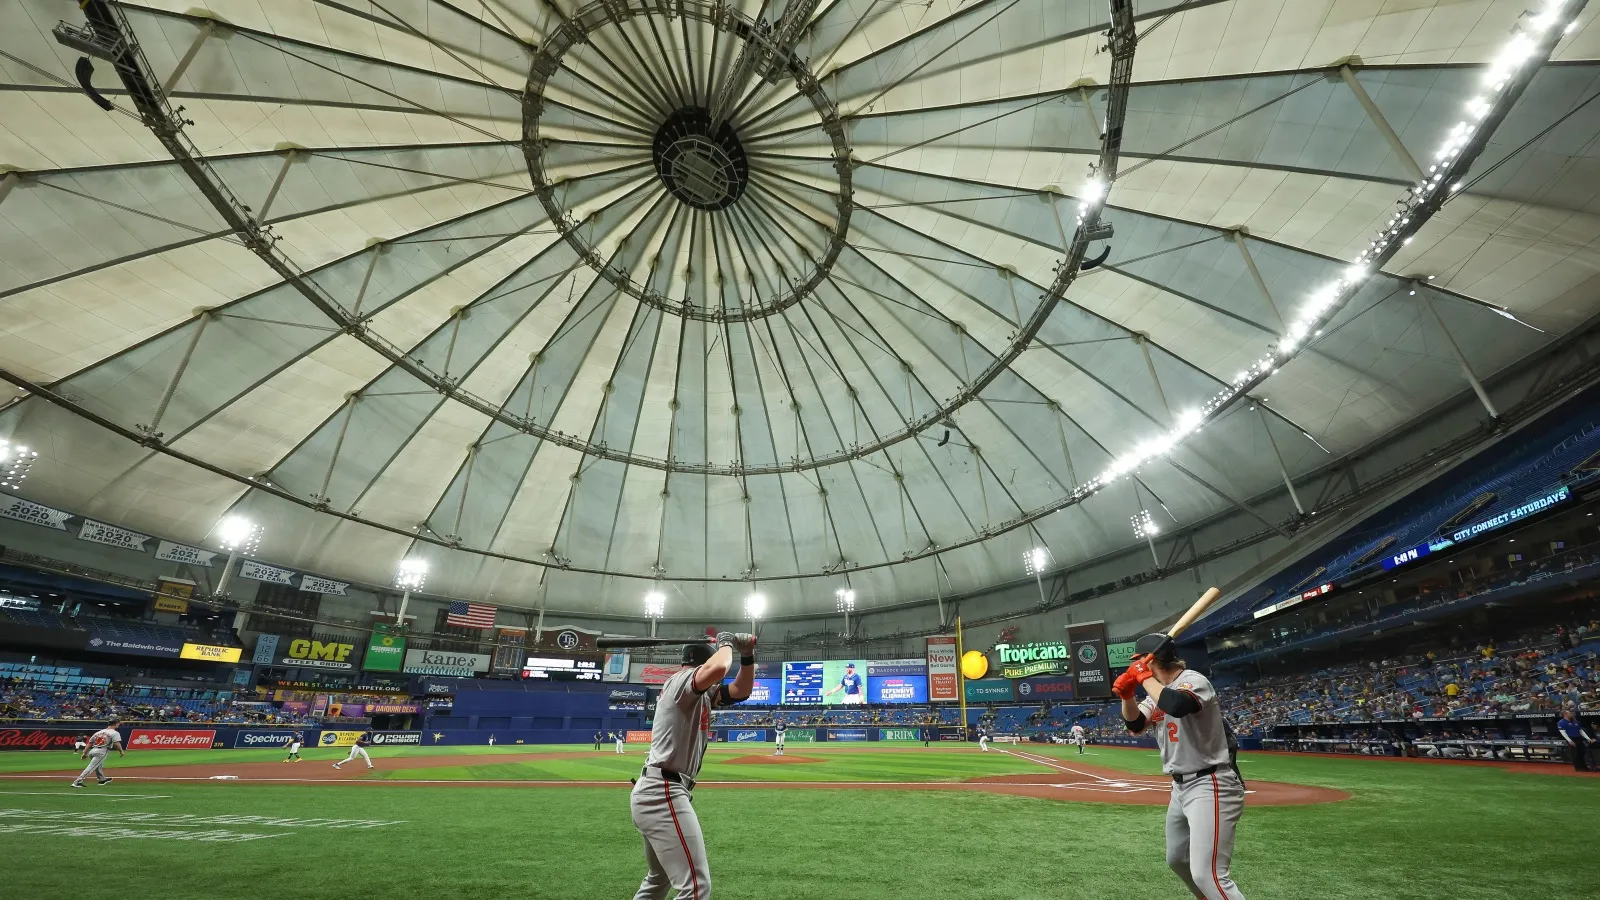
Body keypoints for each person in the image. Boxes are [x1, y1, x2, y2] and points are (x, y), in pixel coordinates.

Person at [1116, 633, 1246, 900]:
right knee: (1177, 859)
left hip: (1211, 783)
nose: (1134, 665)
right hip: (1180, 787)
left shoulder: (1194, 680)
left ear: (1152, 660)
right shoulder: (1156, 695)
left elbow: (1177, 705)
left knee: (1208, 874)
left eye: (1139, 660)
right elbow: (1135, 724)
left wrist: (1143, 678)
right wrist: (1127, 696)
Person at [630, 633, 754, 900]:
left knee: (658, 879)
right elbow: (719, 667)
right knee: (696, 889)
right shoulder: (683, 680)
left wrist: (747, 656)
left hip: (656, 790)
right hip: (663, 792)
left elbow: (741, 691)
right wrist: (726, 644)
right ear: (702, 664)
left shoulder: (700, 693)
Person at [72, 721, 123, 788]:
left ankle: (102, 779)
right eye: (118, 724)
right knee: (91, 767)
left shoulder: (98, 732)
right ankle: (77, 782)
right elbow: (116, 743)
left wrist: (85, 753)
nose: (118, 725)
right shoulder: (114, 733)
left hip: (93, 751)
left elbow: (90, 743)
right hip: (102, 751)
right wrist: (121, 751)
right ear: (116, 724)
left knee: (98, 766)